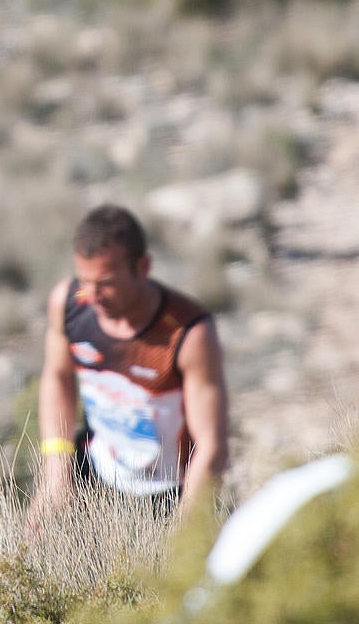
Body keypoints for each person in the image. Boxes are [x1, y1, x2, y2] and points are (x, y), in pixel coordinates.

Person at [31, 204, 229, 523]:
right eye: (86, 281)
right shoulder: (69, 304)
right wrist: (55, 471)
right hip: (94, 475)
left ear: (143, 267)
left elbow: (211, 445)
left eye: (106, 282)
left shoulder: (187, 332)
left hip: (168, 494)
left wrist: (188, 527)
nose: (93, 296)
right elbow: (57, 376)